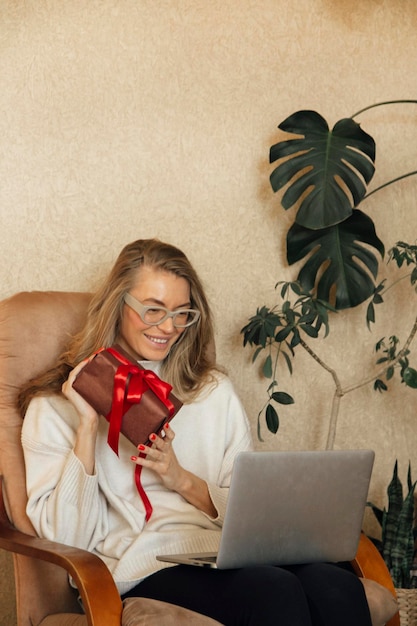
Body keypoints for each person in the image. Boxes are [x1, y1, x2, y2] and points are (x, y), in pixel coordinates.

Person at [20, 238, 394, 626]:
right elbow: (66, 537)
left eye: (182, 313)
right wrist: (87, 425)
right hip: (142, 566)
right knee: (273, 593)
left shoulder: (213, 392)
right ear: (119, 306)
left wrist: (180, 479)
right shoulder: (52, 409)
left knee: (338, 588)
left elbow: (249, 511)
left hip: (221, 553)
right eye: (153, 310)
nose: (168, 327)